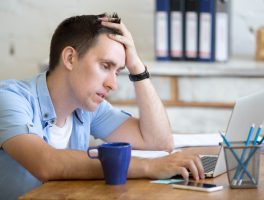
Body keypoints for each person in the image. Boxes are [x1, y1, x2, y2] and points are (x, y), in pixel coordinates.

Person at [0, 13, 204, 200]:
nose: (113, 85)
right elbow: (46, 163)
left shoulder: (89, 108)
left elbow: (159, 142)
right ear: (70, 58)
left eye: (117, 72)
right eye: (105, 66)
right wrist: (149, 166)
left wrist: (138, 69)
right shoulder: (9, 98)